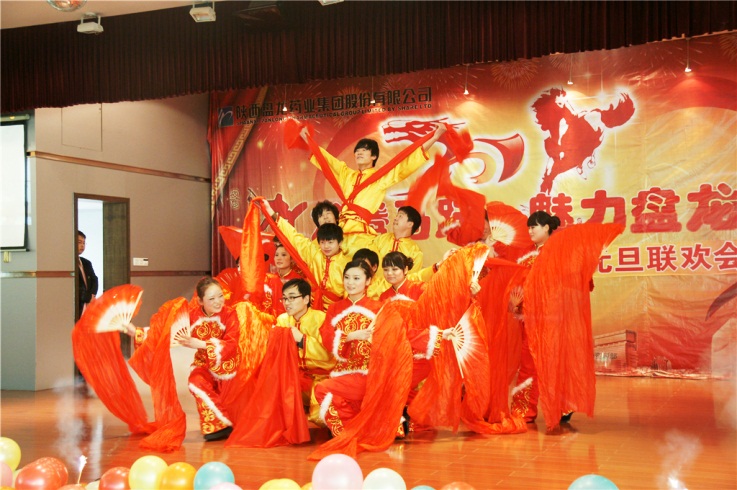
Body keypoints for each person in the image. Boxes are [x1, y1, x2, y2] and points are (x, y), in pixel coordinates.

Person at [300, 123, 446, 249]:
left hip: (360, 234)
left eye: (364, 150)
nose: (359, 153)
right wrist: (307, 139)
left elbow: (405, 163)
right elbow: (327, 161)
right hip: (339, 232)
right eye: (357, 151)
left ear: (374, 156)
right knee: (316, 253)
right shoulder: (346, 174)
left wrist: (434, 137)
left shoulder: (380, 178)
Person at [313, 260, 383, 437]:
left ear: (368, 281)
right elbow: (327, 338)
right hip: (343, 373)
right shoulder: (335, 309)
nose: (350, 282)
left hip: (369, 373)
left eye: (356, 278)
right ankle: (354, 430)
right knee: (327, 392)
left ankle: (350, 432)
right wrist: (351, 336)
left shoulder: (378, 308)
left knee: (323, 389)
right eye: (347, 277)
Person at [508, 211, 562, 424]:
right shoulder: (525, 253)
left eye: (534, 227)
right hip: (527, 317)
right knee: (527, 363)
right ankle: (524, 409)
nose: (530, 231)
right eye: (529, 227)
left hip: (549, 315)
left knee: (552, 363)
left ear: (547, 227)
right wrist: (515, 300)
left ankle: (561, 406)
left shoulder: (557, 251)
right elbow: (517, 280)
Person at [178, 276, 241, 441]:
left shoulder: (230, 314)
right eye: (212, 299)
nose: (218, 302)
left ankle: (229, 421)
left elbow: (232, 344)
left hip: (229, 365)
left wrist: (201, 344)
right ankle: (217, 426)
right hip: (203, 364)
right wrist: (136, 332)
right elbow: (164, 333)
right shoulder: (191, 316)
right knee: (195, 382)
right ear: (200, 301)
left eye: (220, 296)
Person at [261, 199, 350, 310]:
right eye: (323, 242)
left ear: (339, 242)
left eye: (330, 242)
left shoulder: (347, 261)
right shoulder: (313, 251)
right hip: (312, 306)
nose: (326, 246)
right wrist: (270, 211)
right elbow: (293, 236)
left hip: (337, 310)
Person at [275, 278, 335, 425]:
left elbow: (328, 354)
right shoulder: (282, 320)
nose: (287, 303)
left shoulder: (321, 319)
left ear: (306, 299)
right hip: (294, 378)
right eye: (284, 298)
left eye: (292, 298)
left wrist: (302, 339)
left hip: (320, 378)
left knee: (319, 417)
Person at [76, 230, 98, 319]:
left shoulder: (86, 262)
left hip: (88, 304)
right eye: (79, 242)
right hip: (77, 304)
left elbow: (94, 280)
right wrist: (87, 297)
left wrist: (92, 295)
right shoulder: (68, 264)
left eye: (84, 243)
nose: (82, 245)